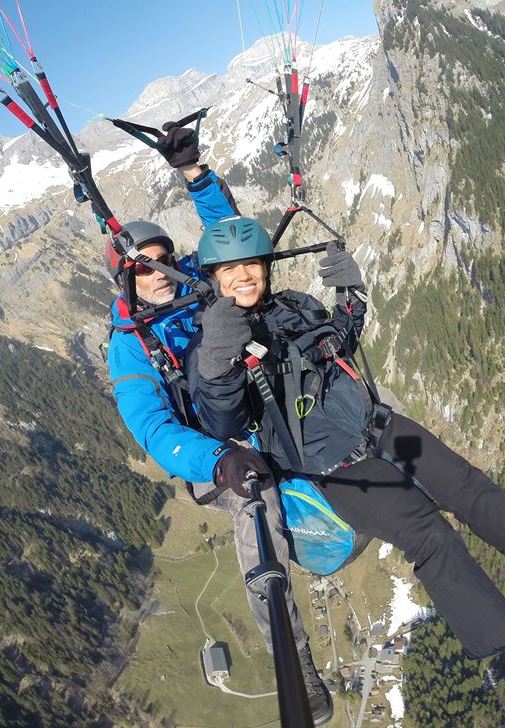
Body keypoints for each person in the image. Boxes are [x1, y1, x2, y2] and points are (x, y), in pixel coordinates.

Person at [186, 215, 505, 699]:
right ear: (213, 277)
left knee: (468, 486)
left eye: (251, 264)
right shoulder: (210, 344)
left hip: (377, 424)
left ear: (267, 266)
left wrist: (352, 299)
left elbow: (340, 343)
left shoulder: (296, 306)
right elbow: (226, 424)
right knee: (430, 536)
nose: (243, 276)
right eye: (229, 269)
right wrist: (217, 358)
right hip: (331, 470)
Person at [105, 129, 335, 723]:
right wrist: (216, 461)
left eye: (163, 261)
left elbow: (228, 236)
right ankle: (297, 660)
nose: (159, 275)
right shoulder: (130, 345)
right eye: (143, 269)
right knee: (255, 511)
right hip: (213, 452)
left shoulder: (193, 280)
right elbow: (152, 427)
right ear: (126, 280)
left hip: (256, 409)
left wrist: (194, 173)